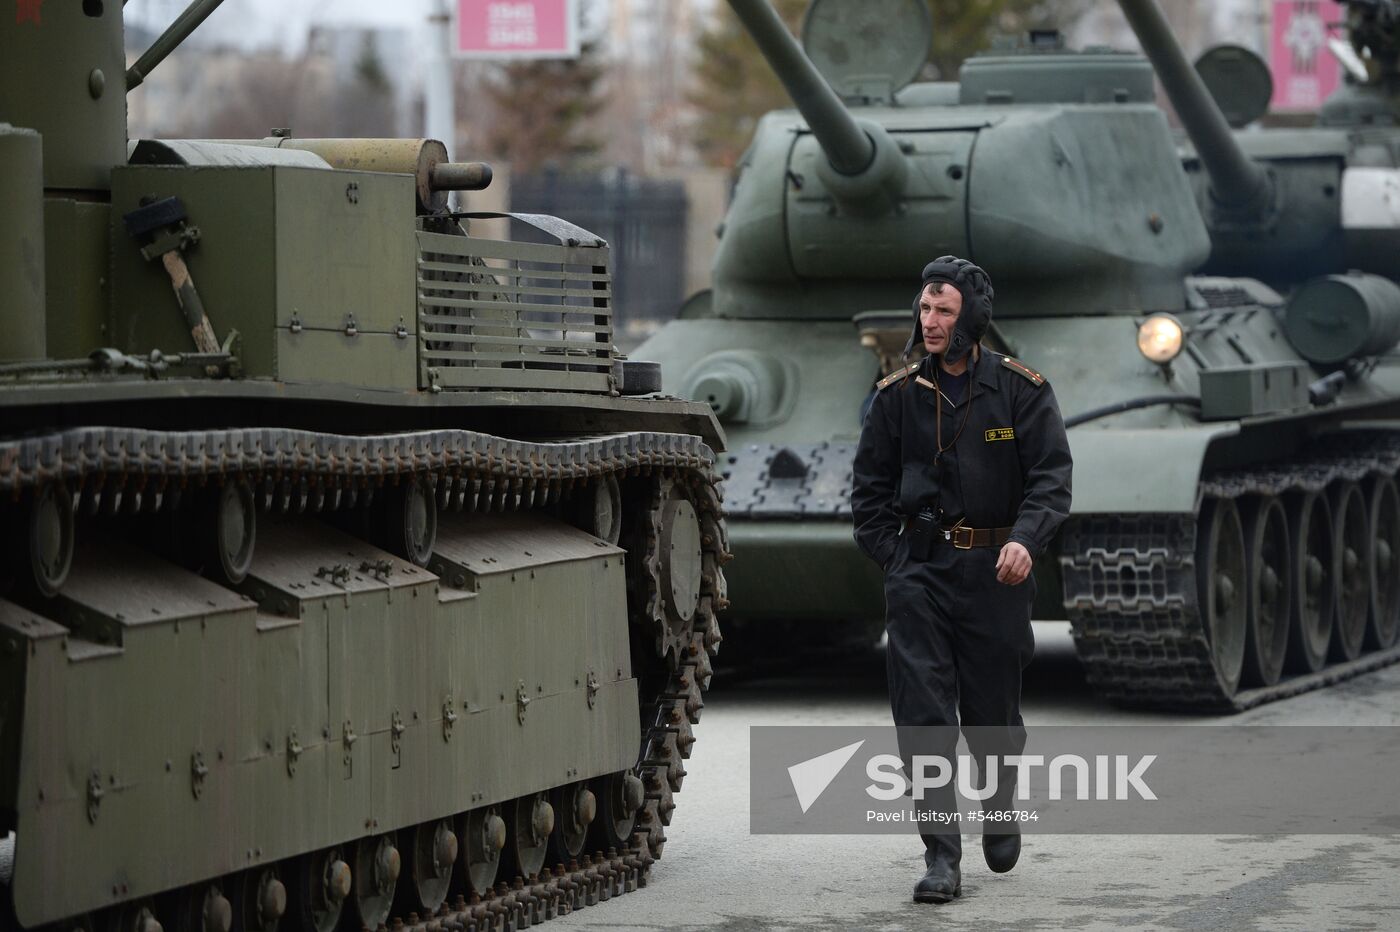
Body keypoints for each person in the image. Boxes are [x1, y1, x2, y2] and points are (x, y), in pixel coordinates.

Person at [851, 257, 1072, 904]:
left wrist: (1025, 543)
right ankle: (940, 855)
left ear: (971, 317)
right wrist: (894, 558)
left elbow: (1051, 479)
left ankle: (999, 807)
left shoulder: (1020, 391)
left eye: (944, 310)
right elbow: (867, 493)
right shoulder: (896, 397)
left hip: (995, 571)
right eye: (925, 309)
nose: (931, 321)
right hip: (919, 570)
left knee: (992, 713)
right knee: (922, 714)